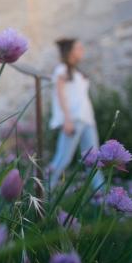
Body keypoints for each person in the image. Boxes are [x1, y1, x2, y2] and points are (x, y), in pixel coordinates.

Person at [48, 38, 104, 189]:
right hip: (74, 119)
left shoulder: (77, 73)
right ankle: (43, 193)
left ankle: (102, 198)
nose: (82, 51)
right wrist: (67, 119)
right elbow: (60, 94)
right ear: (70, 51)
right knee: (62, 159)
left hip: (87, 120)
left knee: (94, 160)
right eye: (78, 48)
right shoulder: (61, 70)